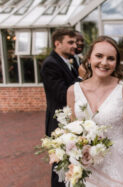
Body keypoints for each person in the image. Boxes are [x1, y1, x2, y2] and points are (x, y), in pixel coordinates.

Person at [66, 36, 123, 186]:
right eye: (99, 56)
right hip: (86, 166)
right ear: (89, 58)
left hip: (118, 165)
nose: (104, 62)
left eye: (110, 58)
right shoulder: (73, 91)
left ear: (116, 63)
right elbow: (72, 132)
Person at [40, 29, 80, 187]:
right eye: (70, 42)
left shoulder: (70, 61)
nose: (75, 45)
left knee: (73, 167)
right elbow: (63, 95)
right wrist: (81, 77)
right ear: (57, 43)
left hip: (71, 122)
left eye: (75, 42)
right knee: (61, 170)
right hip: (59, 125)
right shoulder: (50, 64)